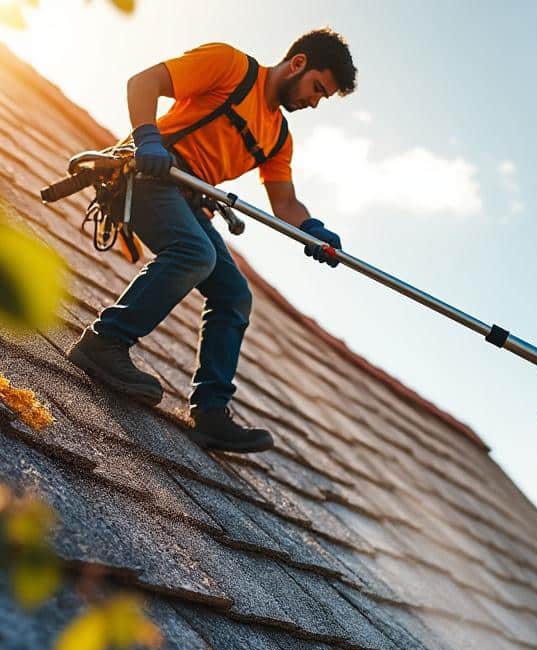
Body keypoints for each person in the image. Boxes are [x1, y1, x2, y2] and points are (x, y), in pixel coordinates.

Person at [67, 29, 357, 453]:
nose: (314, 102)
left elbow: (286, 202)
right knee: (194, 253)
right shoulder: (230, 66)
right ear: (298, 63)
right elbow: (143, 82)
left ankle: (210, 412)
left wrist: (311, 231)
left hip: (187, 197)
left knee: (234, 294)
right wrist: (147, 138)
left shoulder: (279, 137)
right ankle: (104, 342)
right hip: (147, 173)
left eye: (323, 97)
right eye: (317, 88)